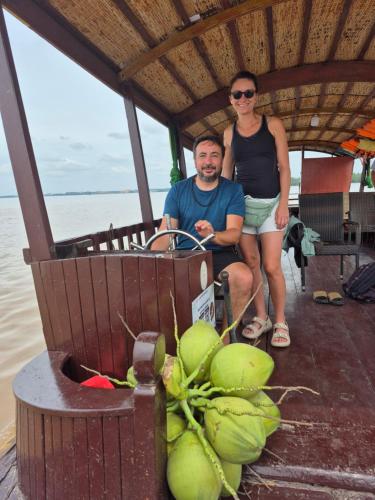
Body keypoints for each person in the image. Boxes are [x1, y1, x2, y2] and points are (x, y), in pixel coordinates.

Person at [151, 135, 253, 322]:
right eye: (203, 155)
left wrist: (212, 235)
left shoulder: (233, 190)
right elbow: (166, 232)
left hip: (220, 253)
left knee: (244, 277)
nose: (208, 161)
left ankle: (226, 339)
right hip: (185, 254)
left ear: (222, 159)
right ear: (195, 160)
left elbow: (233, 235)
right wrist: (149, 260)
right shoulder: (177, 190)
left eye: (214, 155)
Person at [222, 71, 291, 347]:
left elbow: (284, 167)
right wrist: (222, 207)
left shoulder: (272, 124)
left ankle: (281, 321)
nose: (243, 99)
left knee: (272, 266)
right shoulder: (228, 132)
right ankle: (262, 317)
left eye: (248, 93)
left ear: (256, 96)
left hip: (272, 205)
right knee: (252, 265)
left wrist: (284, 202)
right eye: (237, 94)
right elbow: (227, 173)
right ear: (231, 99)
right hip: (242, 209)